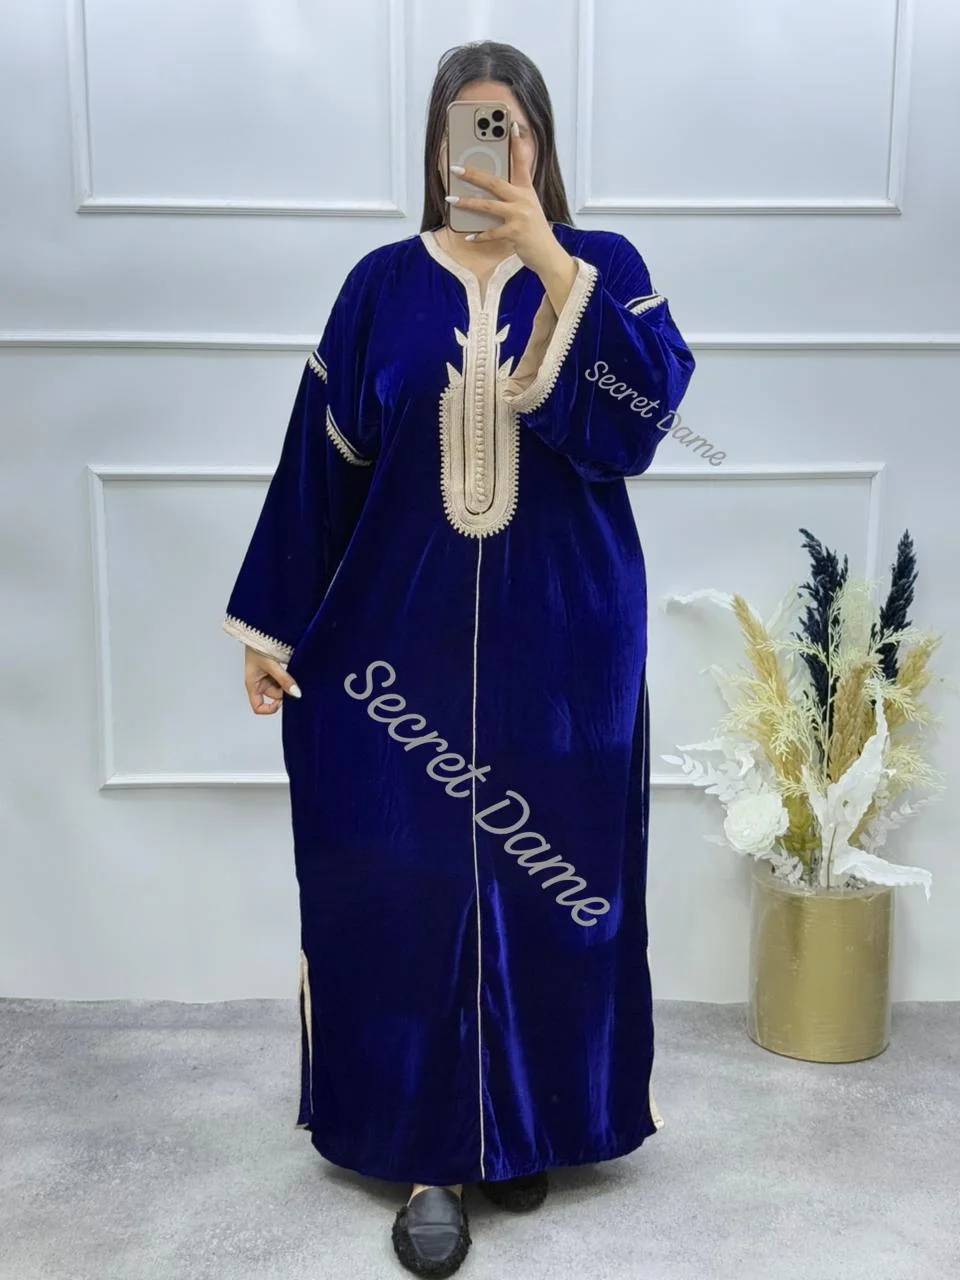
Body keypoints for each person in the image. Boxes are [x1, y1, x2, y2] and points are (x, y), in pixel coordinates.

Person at [222, 39, 695, 1278]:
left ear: (540, 140)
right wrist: (273, 626)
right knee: (404, 887)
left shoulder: (605, 269)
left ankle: (523, 1121)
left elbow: (643, 425)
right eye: (469, 124)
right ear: (437, 144)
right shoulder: (380, 286)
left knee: (553, 890)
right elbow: (322, 464)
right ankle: (434, 1153)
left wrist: (548, 257)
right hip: (394, 656)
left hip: (567, 654)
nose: (492, 146)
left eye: (512, 124)